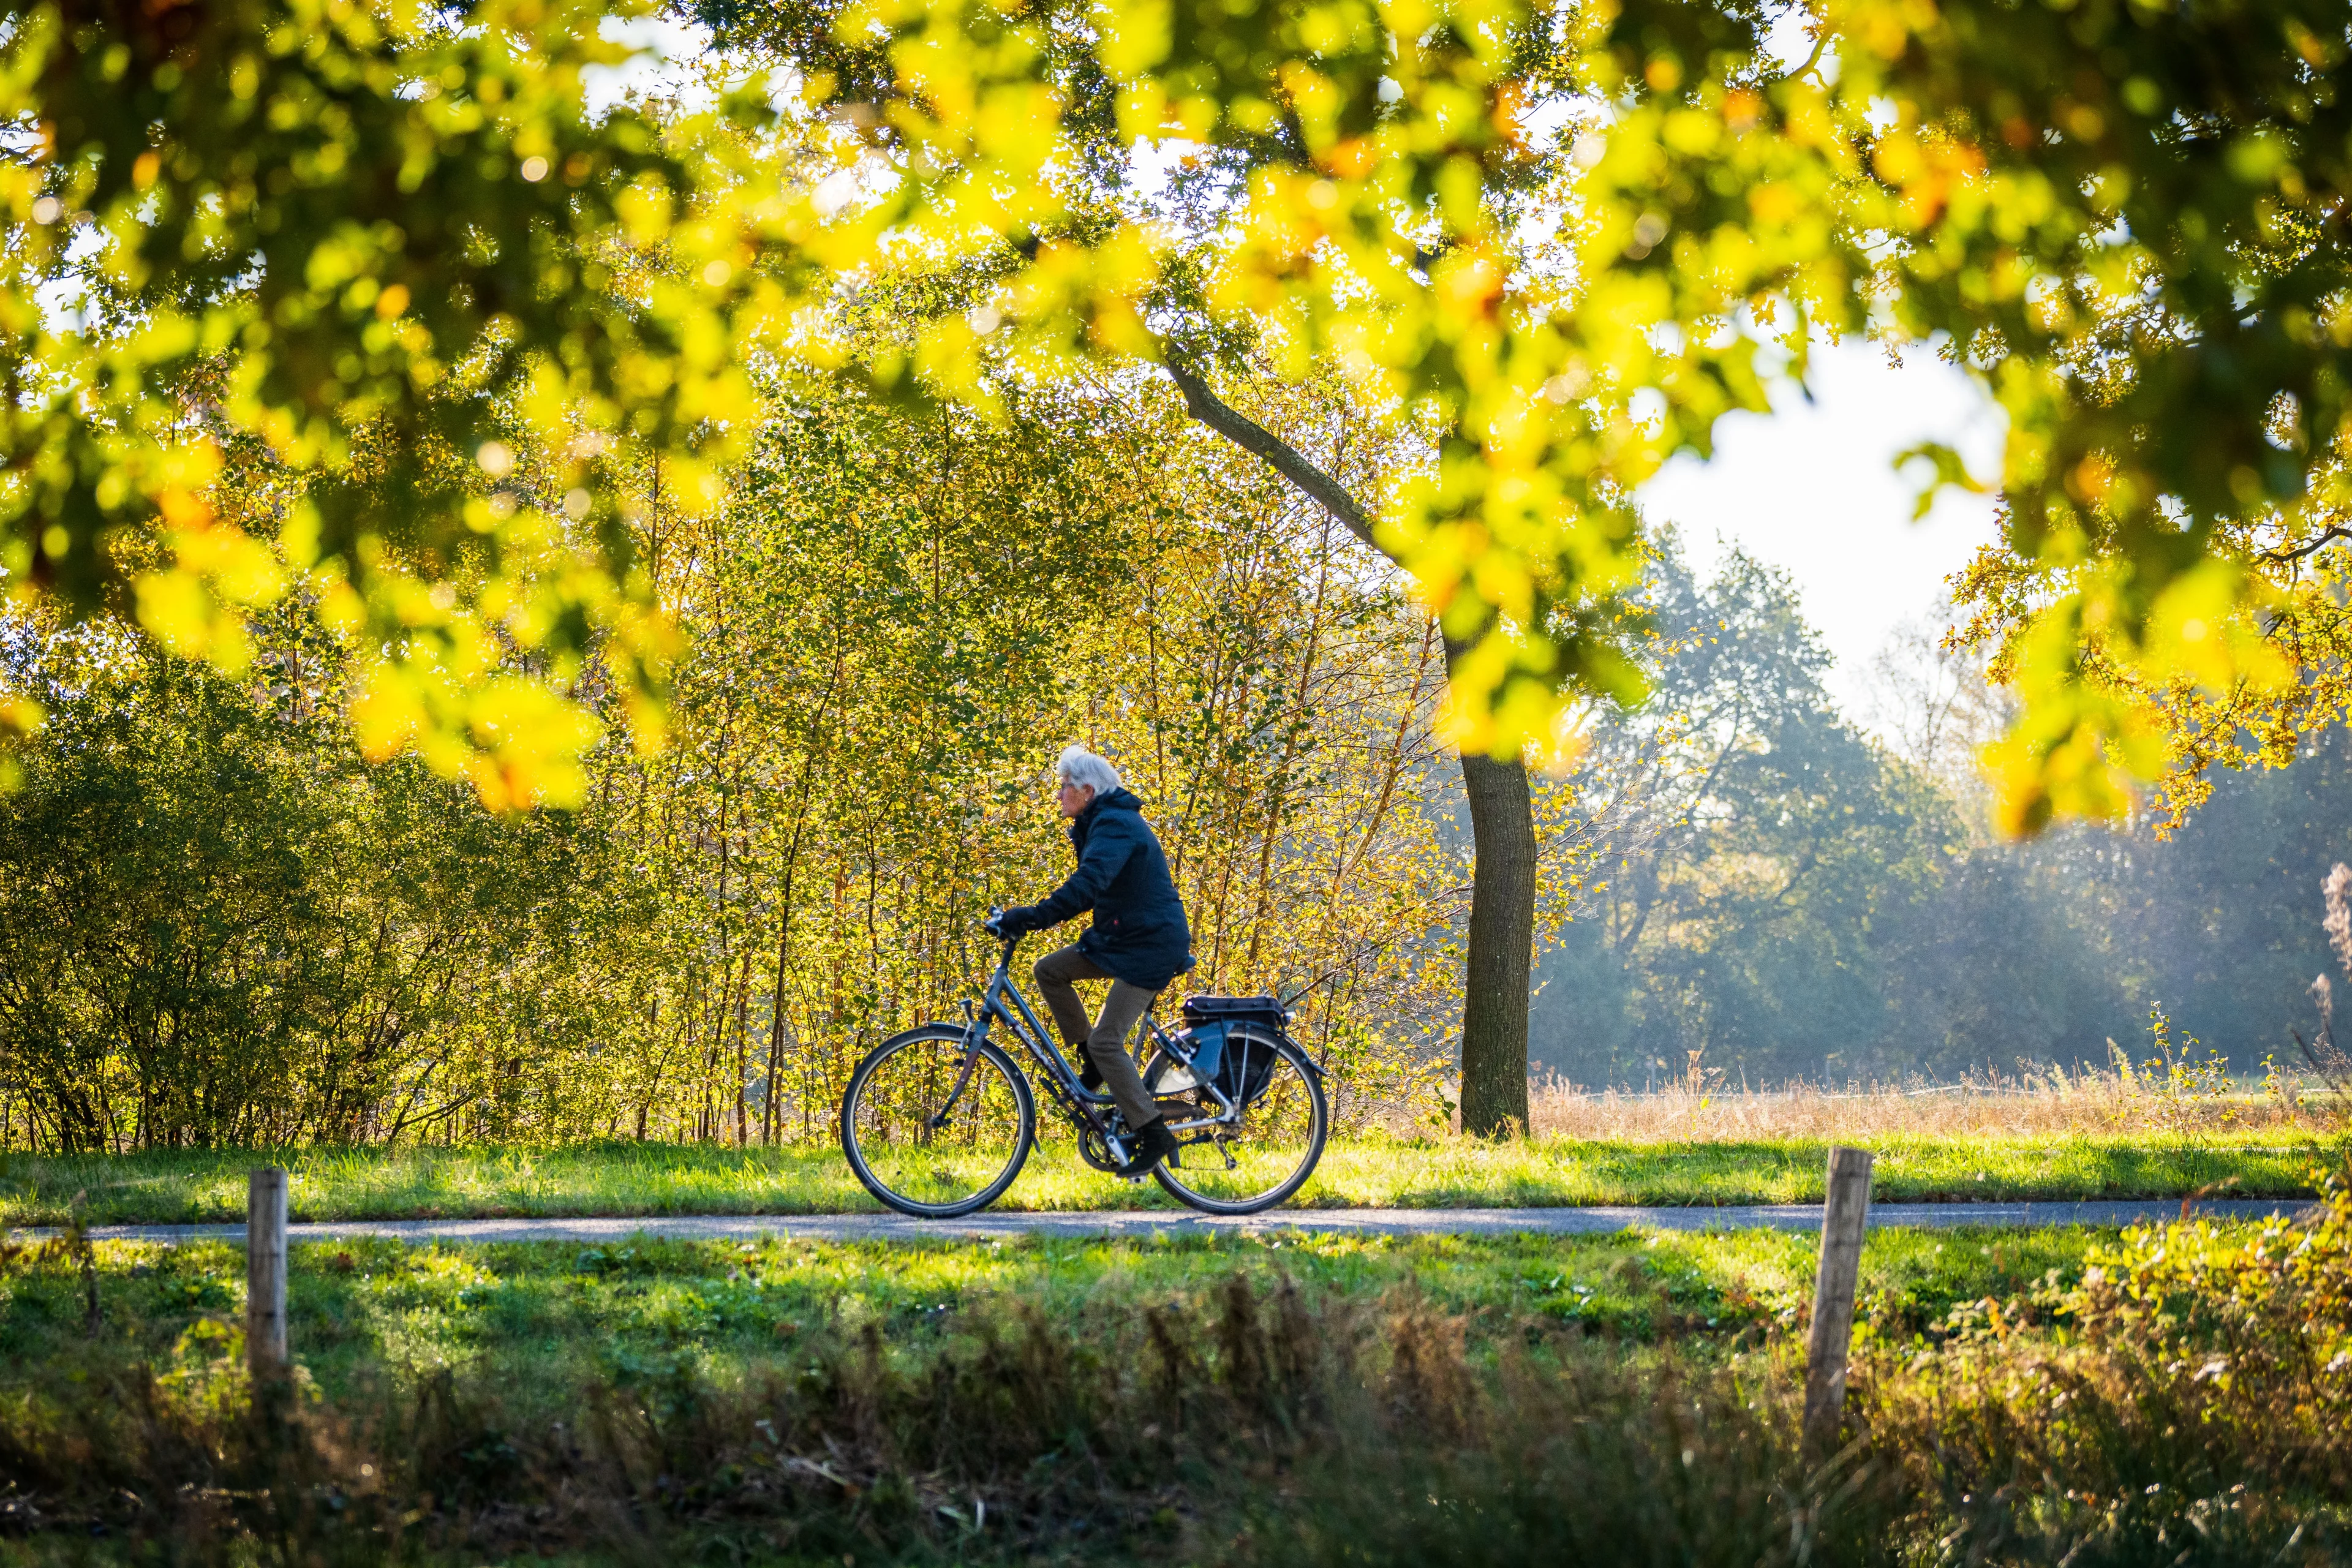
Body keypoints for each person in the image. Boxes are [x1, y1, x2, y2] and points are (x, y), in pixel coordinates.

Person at [988, 746, 1192, 1177]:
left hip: (1150, 945)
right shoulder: (1102, 821)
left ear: (1087, 791)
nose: (1059, 794)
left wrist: (1033, 916)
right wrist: (1032, 917)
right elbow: (1095, 889)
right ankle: (1092, 1059)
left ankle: (1153, 1131)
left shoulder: (1115, 824)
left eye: (1065, 786)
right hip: (1122, 938)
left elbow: (1089, 884)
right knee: (1050, 971)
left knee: (1107, 1041)